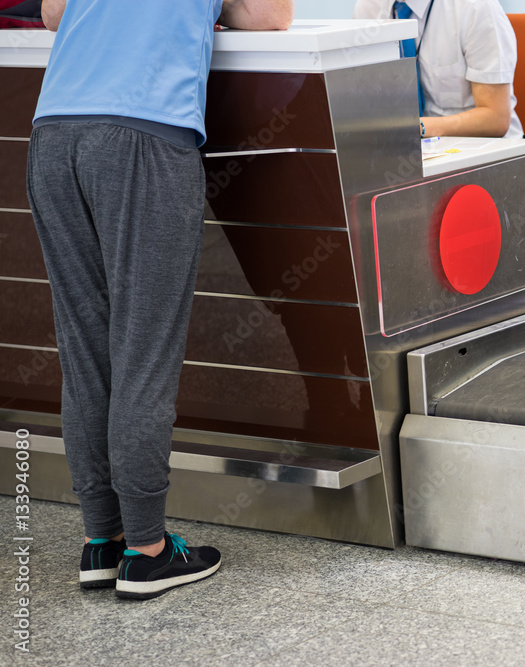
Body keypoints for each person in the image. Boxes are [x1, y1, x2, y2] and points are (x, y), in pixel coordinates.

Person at [26, 0, 294, 600]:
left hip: (55, 131)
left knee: (85, 347)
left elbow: (51, 12)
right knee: (143, 346)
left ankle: (103, 539)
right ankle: (147, 550)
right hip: (142, 134)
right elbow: (271, 16)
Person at [352, 0, 522, 139]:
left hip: (481, 150)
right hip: (405, 151)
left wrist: (416, 128)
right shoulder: (368, 8)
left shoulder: (476, 7)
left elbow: (495, 118)